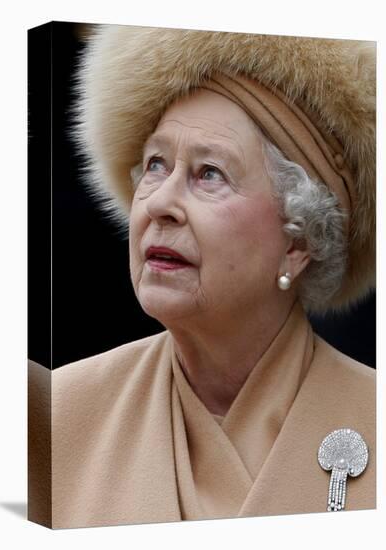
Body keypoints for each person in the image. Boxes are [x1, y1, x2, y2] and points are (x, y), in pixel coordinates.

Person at [47, 26, 375, 528]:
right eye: (155, 164)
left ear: (298, 242)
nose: (158, 203)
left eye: (209, 174)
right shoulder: (53, 415)